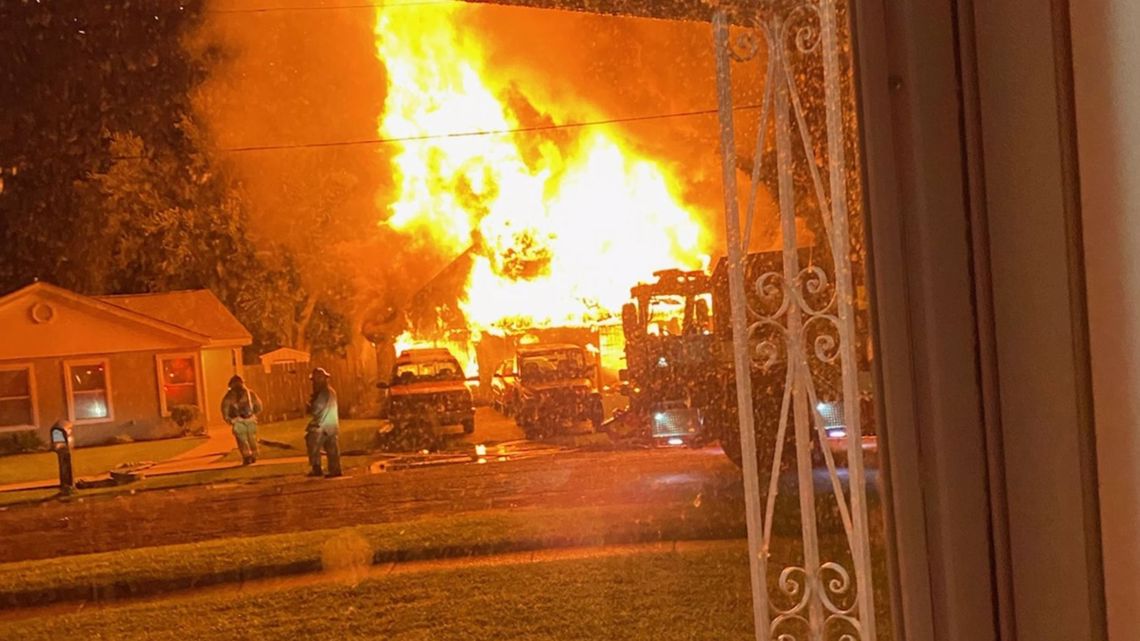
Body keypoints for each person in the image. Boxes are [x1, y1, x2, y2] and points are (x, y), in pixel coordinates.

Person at [306, 367, 342, 478]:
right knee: (332, 448)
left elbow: (317, 409)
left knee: (313, 444)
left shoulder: (324, 393)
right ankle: (335, 469)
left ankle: (317, 468)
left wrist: (309, 406)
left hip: (322, 426)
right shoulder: (330, 392)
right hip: (331, 425)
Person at [220, 375, 263, 466]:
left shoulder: (230, 396)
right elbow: (258, 405)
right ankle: (252, 455)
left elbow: (225, 407)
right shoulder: (250, 394)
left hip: (238, 420)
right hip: (247, 419)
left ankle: (248, 456)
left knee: (243, 439)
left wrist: (228, 418)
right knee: (250, 438)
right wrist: (255, 413)